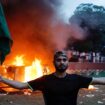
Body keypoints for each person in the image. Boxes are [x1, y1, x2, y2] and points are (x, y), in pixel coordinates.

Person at [0, 51, 105, 105]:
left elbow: (99, 80)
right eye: (58, 60)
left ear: (68, 63)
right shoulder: (44, 80)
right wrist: (1, 78)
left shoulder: (76, 79)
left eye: (64, 60)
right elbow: (21, 85)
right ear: (53, 62)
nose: (61, 62)